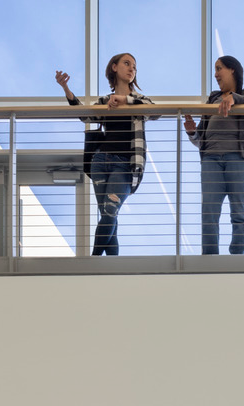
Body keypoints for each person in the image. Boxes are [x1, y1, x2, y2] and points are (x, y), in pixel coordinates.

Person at [56, 54, 158, 256]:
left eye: (134, 67)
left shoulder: (139, 100)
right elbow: (85, 115)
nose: (132, 69)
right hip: (100, 161)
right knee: (108, 214)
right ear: (114, 67)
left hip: (125, 165)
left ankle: (93, 261)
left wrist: (125, 100)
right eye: (127, 64)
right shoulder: (105, 101)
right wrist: (66, 89)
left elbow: (155, 112)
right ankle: (111, 267)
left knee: (110, 212)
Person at [184, 55, 244, 255]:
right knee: (209, 214)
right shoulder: (213, 99)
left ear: (232, 70)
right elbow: (201, 138)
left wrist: (234, 98)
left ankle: (237, 261)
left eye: (219, 68)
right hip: (211, 159)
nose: (215, 74)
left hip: (241, 158)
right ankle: (209, 261)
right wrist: (192, 132)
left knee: (239, 213)